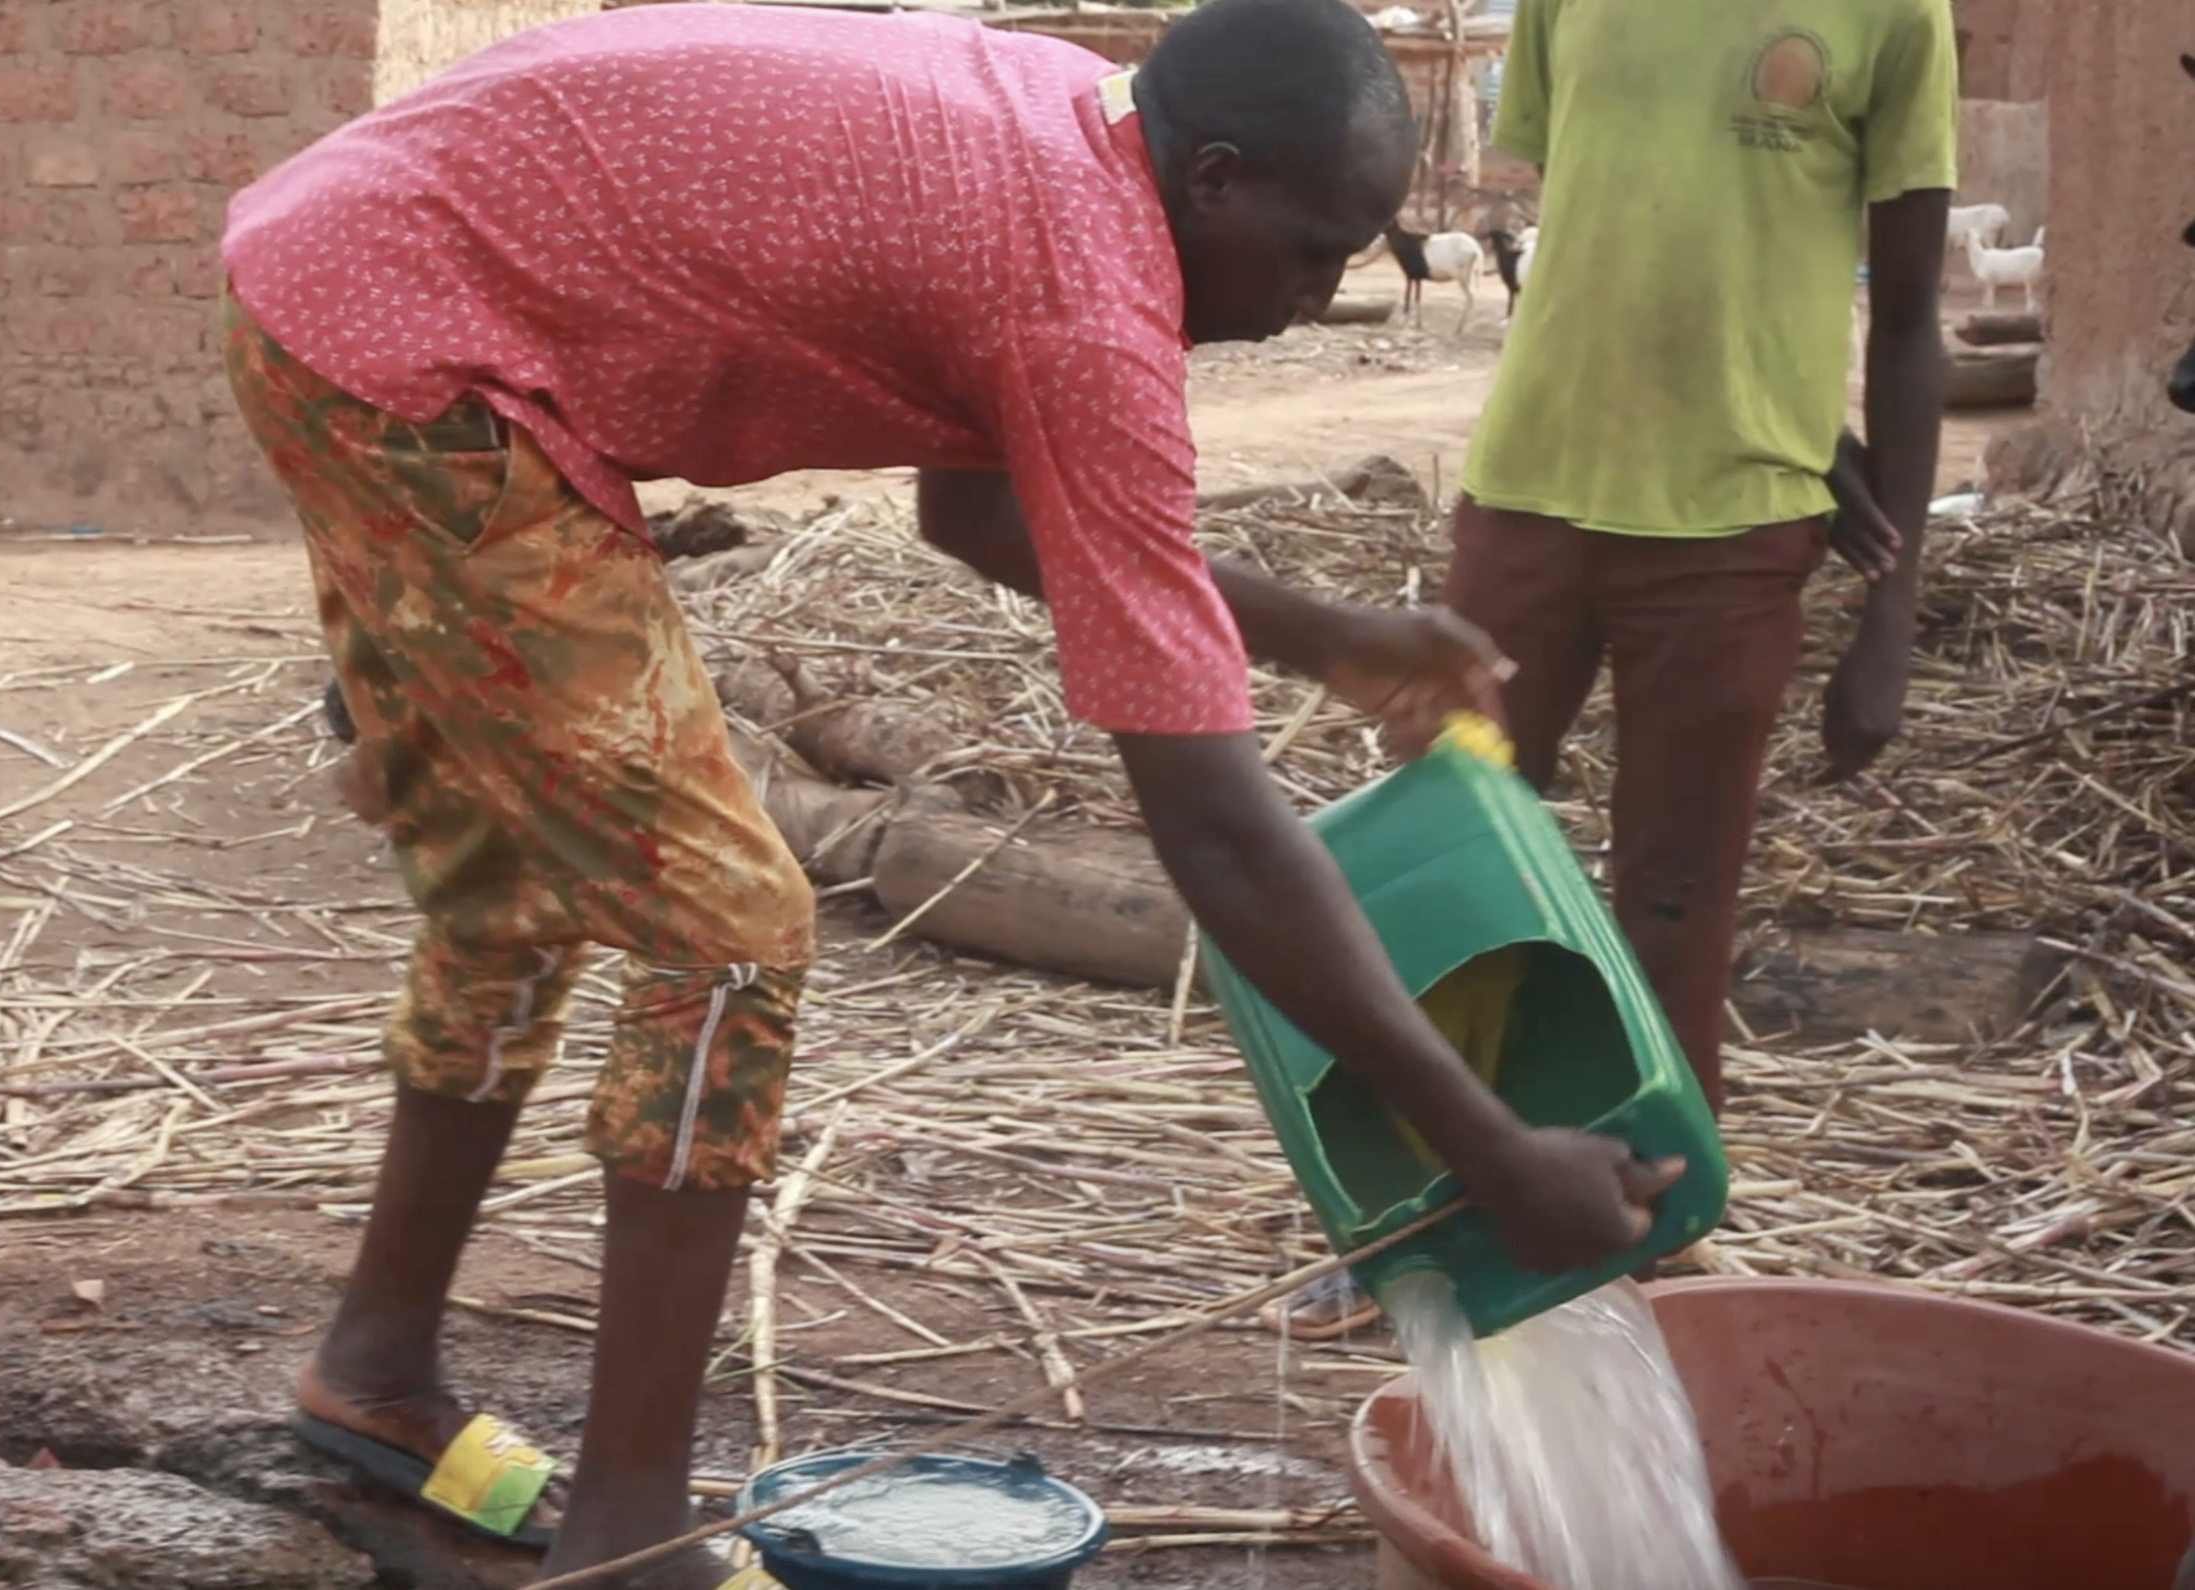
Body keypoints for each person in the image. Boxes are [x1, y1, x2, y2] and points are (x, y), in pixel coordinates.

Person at [216, 2, 1681, 1584]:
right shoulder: (1084, 304)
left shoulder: (1080, 138)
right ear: (1215, 178)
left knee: (519, 874)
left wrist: (1328, 637)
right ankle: (632, 1537)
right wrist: (1481, 1146)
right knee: (723, 928)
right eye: (1313, 253)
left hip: (345, 281)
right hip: (420, 362)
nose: (1319, 299)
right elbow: (1217, 835)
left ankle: (373, 1369)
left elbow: (978, 517)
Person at [1261, 0, 1953, 1344]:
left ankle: (1646, 1235)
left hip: (1734, 513)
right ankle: (1401, 1223)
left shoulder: (1894, 14)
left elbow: (1914, 310)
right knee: (1438, 869)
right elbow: (1619, 219)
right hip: (1529, 483)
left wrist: (1892, 604)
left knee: (1676, 902)